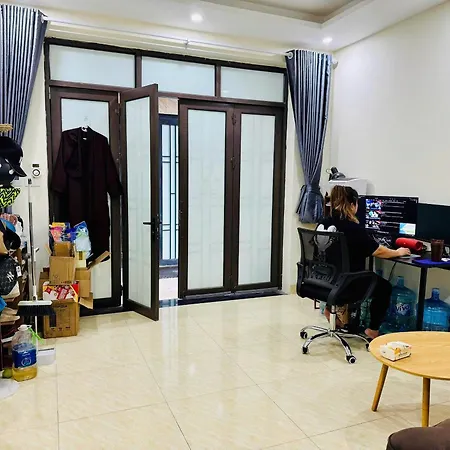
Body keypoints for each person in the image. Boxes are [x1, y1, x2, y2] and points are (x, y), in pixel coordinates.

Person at [319, 185, 411, 339]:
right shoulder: (353, 228)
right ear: (352, 205)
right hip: (347, 284)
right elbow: (378, 251)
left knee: (356, 277)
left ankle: (329, 309)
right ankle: (373, 330)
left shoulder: (324, 223)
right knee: (384, 288)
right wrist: (398, 252)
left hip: (323, 280)